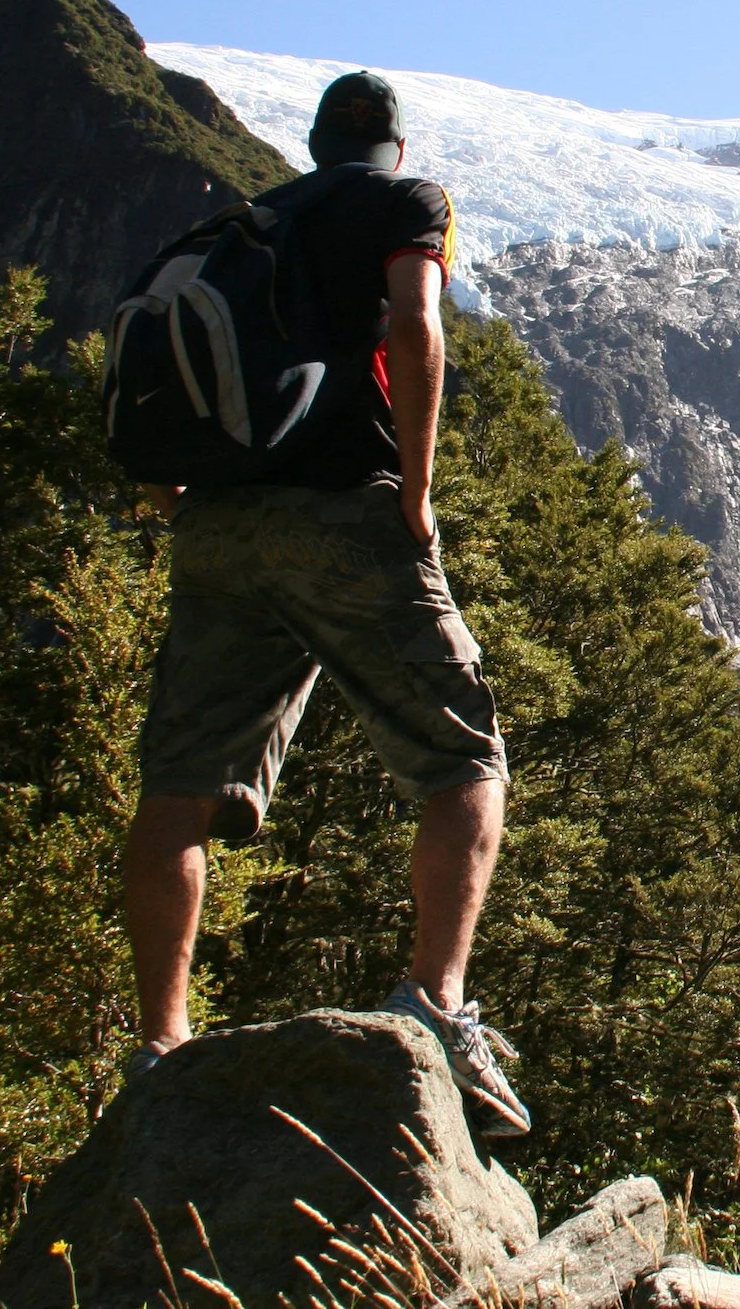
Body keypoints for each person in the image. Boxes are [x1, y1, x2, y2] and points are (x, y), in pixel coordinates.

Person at [121, 71, 528, 1135]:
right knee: (463, 758)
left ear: (310, 144)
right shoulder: (408, 204)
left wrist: (175, 487)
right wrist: (420, 493)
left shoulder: (245, 226)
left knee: (180, 782)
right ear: (394, 148)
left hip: (216, 525)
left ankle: (157, 1049)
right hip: (345, 511)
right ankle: (434, 1007)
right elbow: (414, 322)